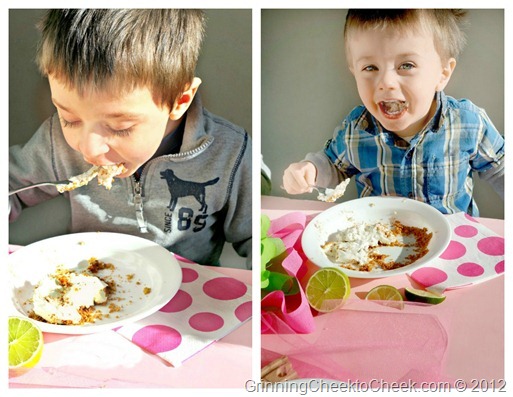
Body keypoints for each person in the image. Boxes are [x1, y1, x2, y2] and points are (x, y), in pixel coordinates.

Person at [9, 9, 252, 268]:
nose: (89, 150)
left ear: (180, 100)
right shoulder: (55, 143)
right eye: (70, 119)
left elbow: (256, 238)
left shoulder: (230, 155)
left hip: (188, 298)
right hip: (89, 287)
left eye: (119, 127)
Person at [282, 9, 504, 216]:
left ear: (442, 73)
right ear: (354, 72)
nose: (386, 82)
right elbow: (333, 166)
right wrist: (308, 170)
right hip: (381, 240)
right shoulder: (357, 129)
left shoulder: (469, 124)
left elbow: (501, 169)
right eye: (370, 68)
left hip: (454, 241)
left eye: (406, 65)